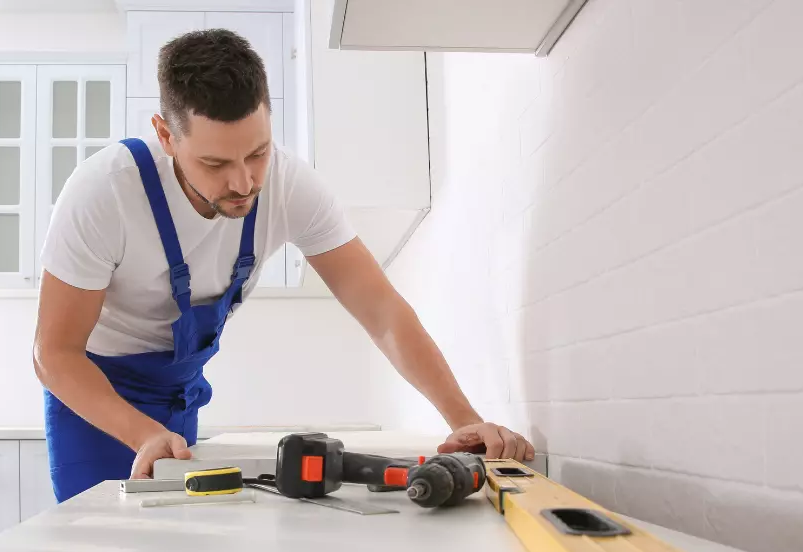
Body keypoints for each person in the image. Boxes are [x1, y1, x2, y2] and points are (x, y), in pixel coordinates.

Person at [32, 28, 534, 503]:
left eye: (258, 152)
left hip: (177, 398)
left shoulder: (292, 187)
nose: (245, 181)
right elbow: (54, 354)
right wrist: (141, 432)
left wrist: (464, 420)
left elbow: (382, 313)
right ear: (165, 136)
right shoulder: (104, 193)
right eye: (215, 164)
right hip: (92, 396)